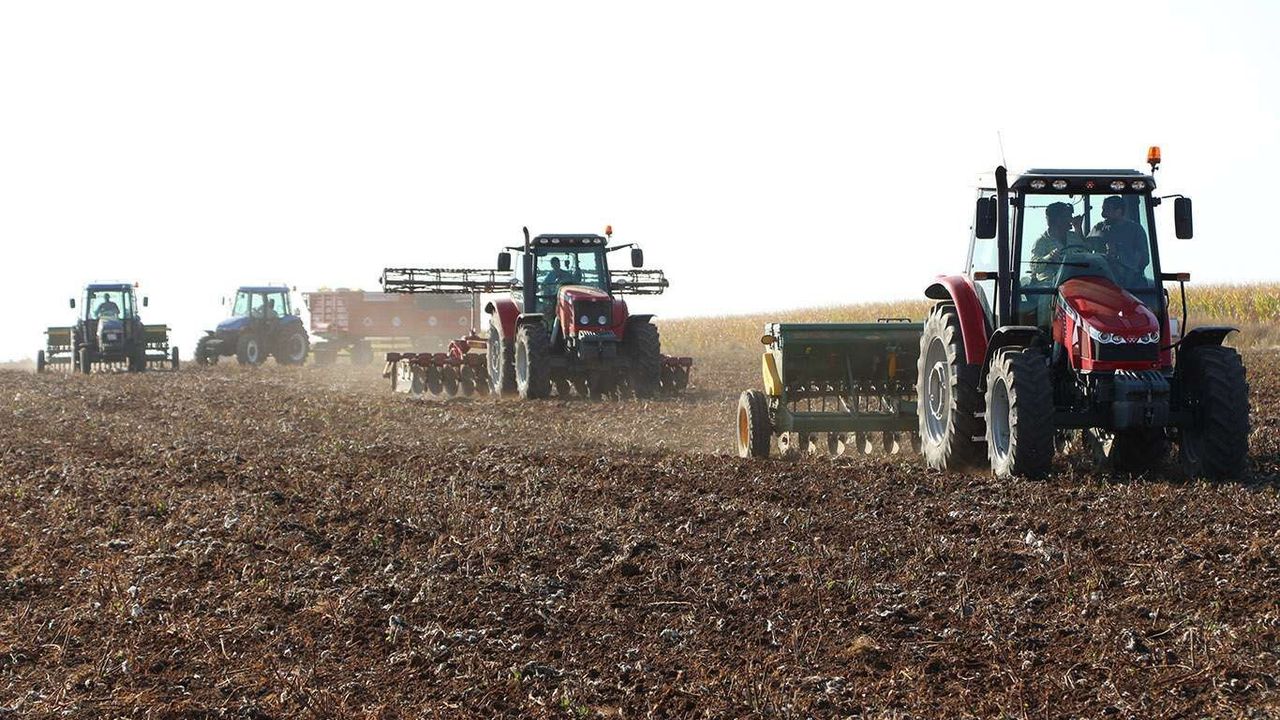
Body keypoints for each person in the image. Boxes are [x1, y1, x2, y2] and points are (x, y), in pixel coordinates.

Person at [1090, 195, 1151, 287]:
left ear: (1119, 211)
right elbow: (1085, 248)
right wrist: (1078, 227)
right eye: (1103, 210)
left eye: (1107, 210)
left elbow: (1143, 259)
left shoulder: (1135, 230)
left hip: (1131, 285)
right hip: (1102, 282)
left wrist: (1118, 256)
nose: (1103, 214)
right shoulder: (1099, 227)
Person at [1028, 202, 1088, 283]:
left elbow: (1088, 256)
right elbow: (1034, 267)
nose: (1071, 219)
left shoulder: (1074, 237)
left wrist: (1078, 228)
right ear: (1057, 220)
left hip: (1074, 282)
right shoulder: (1042, 242)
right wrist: (1049, 257)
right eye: (1067, 216)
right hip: (1050, 286)